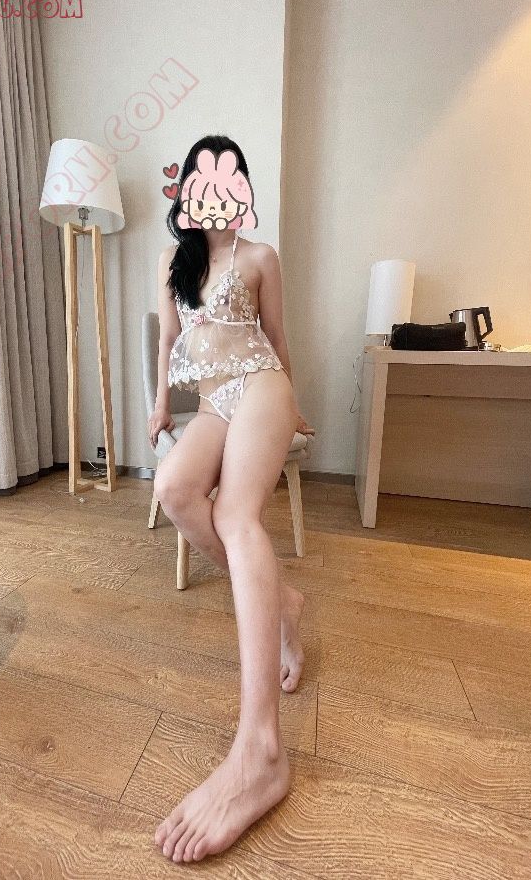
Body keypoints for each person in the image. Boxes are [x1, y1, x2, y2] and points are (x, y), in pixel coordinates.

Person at [147, 134, 315, 864]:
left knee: (234, 513)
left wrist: (293, 406)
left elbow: (277, 338)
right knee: (175, 489)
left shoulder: (260, 257)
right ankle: (282, 603)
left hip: (262, 385)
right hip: (214, 401)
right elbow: (168, 342)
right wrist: (161, 404)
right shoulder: (173, 262)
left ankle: (260, 748)